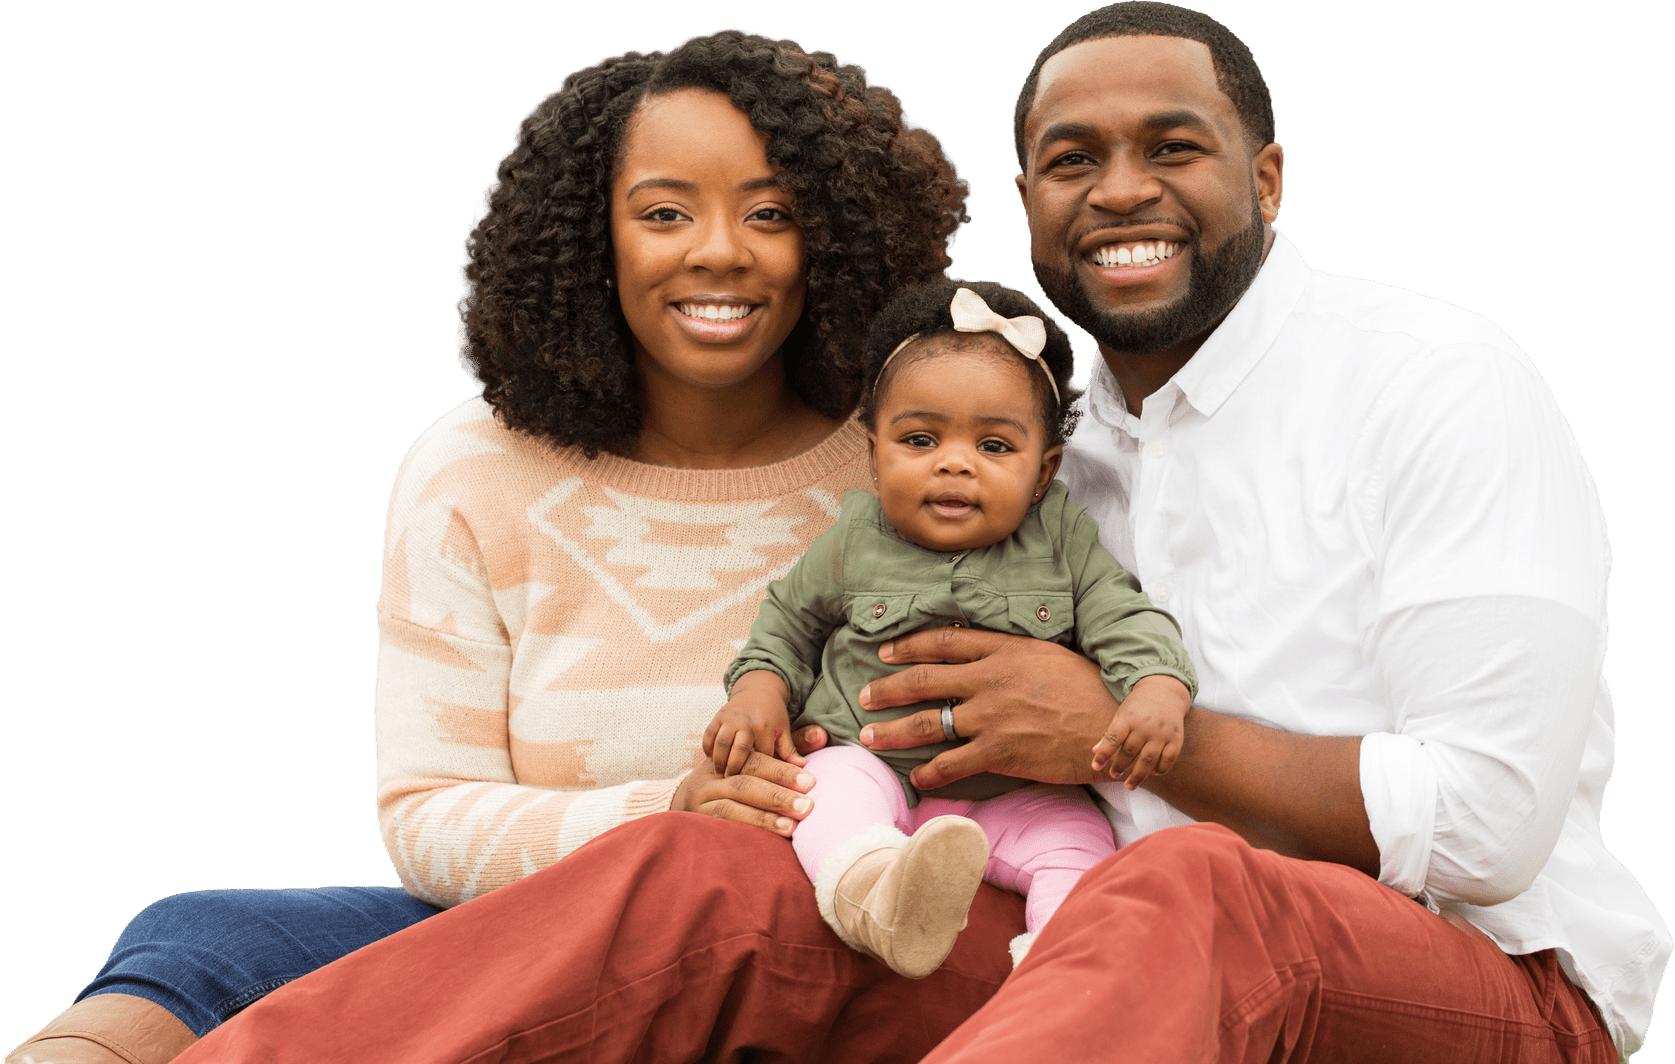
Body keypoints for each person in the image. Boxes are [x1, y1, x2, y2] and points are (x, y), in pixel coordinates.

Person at [119, 4, 1670, 1063]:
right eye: (1071, 161)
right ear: (1025, 204)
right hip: (1082, 967)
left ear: (1260, 176)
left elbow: (1484, 824)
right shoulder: (1029, 446)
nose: (1119, 189)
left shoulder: (1430, 379)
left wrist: (1127, 741)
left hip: (1472, 991)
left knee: (1178, 888)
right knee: (707, 884)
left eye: (1172, 147)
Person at [6, 29, 988, 1064]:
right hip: (546, 922)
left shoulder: (915, 458)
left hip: (816, 931)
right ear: (589, 238)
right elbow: (426, 814)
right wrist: (670, 811)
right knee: (209, 935)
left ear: (834, 238)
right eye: (663, 213)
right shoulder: (468, 468)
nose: (718, 251)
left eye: (771, 213)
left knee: (691, 914)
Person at [709, 279, 1196, 978]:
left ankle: (1064, 968)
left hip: (1013, 789)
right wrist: (756, 691)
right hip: (868, 757)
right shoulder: (852, 539)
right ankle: (876, 893)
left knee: (1077, 846)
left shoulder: (1060, 538)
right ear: (875, 455)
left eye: (994, 445)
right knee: (821, 793)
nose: (955, 461)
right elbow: (786, 623)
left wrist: (1155, 688)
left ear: (1042, 472)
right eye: (919, 438)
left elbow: (1121, 614)